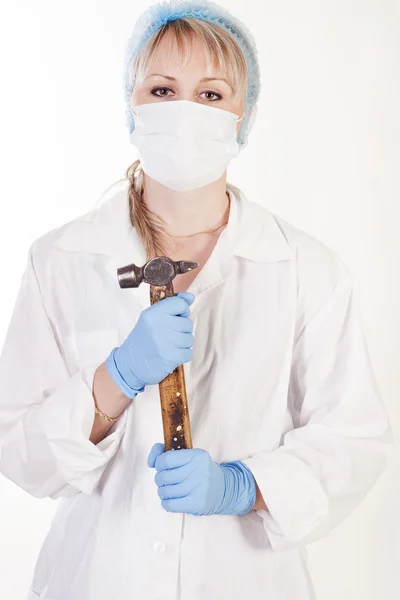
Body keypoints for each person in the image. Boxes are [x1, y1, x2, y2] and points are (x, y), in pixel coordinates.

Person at [0, 1, 392, 599]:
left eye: (210, 95)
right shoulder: (60, 260)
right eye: (162, 89)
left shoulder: (305, 269)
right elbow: (21, 454)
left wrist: (242, 486)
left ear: (246, 113)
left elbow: (353, 440)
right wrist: (116, 377)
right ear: (130, 105)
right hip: (99, 580)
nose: (184, 113)